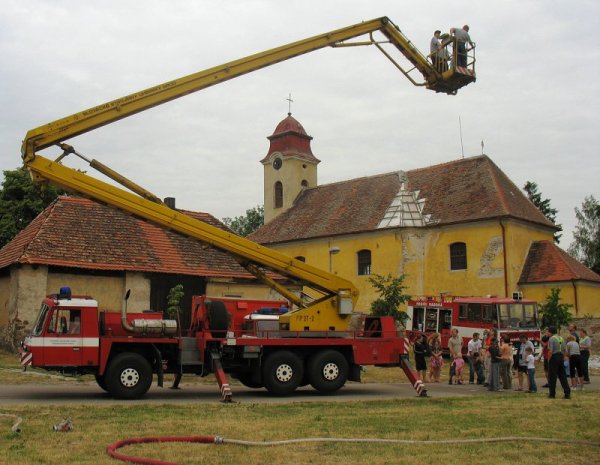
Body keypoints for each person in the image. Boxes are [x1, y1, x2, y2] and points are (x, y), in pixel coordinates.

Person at [547, 326, 571, 399]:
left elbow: (550, 351)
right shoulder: (561, 338)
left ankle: (552, 394)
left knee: (552, 376)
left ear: (550, 332)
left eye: (547, 331)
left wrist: (549, 360)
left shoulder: (551, 339)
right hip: (561, 357)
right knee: (562, 375)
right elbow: (565, 350)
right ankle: (567, 393)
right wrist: (563, 358)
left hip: (554, 357)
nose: (547, 333)